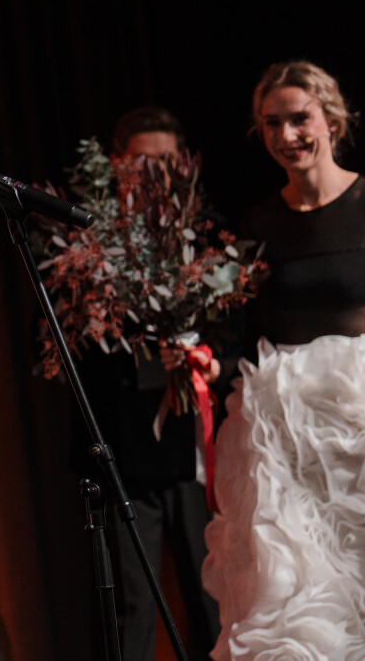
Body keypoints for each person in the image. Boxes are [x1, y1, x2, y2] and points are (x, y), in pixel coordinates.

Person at [202, 61, 365, 659]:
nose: (287, 135)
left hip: (363, 418)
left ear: (331, 119)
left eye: (299, 118)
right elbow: (243, 329)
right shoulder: (259, 223)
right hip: (288, 434)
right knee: (302, 589)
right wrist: (212, 364)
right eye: (271, 123)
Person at [74, 107, 224, 660]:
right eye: (141, 163)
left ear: (183, 163)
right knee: (132, 610)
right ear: (117, 166)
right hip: (123, 456)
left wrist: (195, 353)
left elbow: (231, 333)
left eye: (165, 161)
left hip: (194, 455)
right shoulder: (89, 246)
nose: (154, 174)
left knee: (211, 600)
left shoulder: (204, 236)